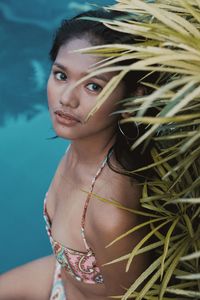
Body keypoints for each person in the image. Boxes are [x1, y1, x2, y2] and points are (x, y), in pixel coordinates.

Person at [0, 9, 157, 300]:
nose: (66, 98)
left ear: (133, 96)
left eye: (93, 86)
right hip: (60, 279)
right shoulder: (83, 146)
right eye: (61, 75)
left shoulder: (109, 212)